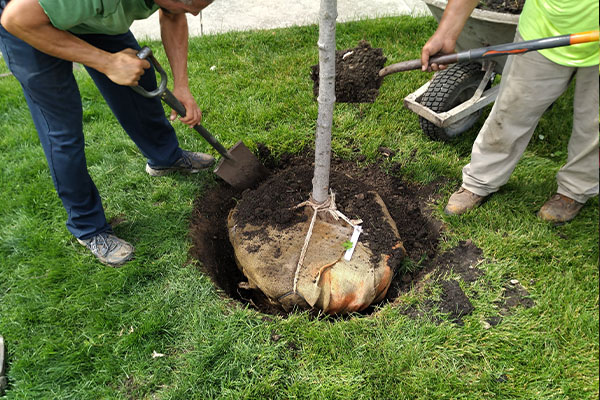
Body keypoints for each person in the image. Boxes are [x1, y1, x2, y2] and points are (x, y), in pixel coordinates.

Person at [0, 0, 216, 266]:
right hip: (30, 22)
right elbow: (16, 19)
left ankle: (165, 157)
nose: (195, 12)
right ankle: (88, 227)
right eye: (192, 4)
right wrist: (106, 62)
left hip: (89, 15)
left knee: (140, 77)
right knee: (62, 128)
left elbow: (173, 14)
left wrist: (181, 84)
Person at [421, 0, 599, 223]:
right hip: (545, 29)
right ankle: (480, 181)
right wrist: (446, 33)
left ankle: (574, 190)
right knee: (511, 109)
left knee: (594, 126)